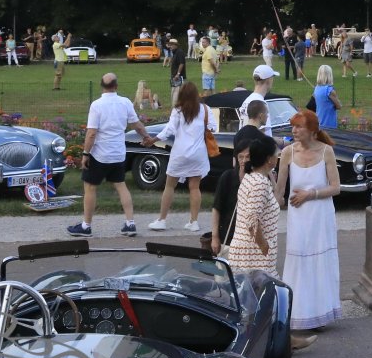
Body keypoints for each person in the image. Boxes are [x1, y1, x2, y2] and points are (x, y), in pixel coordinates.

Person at [68, 73, 157, 237]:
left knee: (90, 187)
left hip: (100, 154)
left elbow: (91, 134)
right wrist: (147, 137)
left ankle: (86, 226)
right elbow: (137, 125)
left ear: (101, 86)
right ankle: (130, 223)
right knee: (121, 186)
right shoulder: (125, 102)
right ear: (116, 86)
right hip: (118, 154)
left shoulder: (97, 105)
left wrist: (86, 154)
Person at [280, 109, 341, 340]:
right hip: (298, 218)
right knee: (299, 260)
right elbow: (280, 191)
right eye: (293, 126)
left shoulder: (326, 151)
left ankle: (320, 312)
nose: (294, 131)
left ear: (312, 130)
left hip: (320, 215)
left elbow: (335, 187)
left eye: (299, 127)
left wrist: (310, 194)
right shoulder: (287, 152)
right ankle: (297, 313)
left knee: (319, 261)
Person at [150, 82, 212, 232]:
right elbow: (213, 128)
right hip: (198, 153)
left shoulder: (178, 110)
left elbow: (169, 130)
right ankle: (193, 221)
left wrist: (153, 139)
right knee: (195, 187)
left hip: (180, 153)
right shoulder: (205, 109)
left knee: (170, 186)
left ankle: (162, 220)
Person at [221, 134, 280, 275]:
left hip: (249, 251)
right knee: (257, 288)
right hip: (253, 254)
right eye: (276, 154)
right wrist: (264, 246)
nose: (278, 157)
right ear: (269, 159)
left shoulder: (251, 177)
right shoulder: (259, 183)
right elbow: (252, 220)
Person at [312, 64, 342, 129]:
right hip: (328, 123)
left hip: (319, 121)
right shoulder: (329, 90)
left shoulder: (316, 89)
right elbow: (339, 106)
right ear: (330, 75)